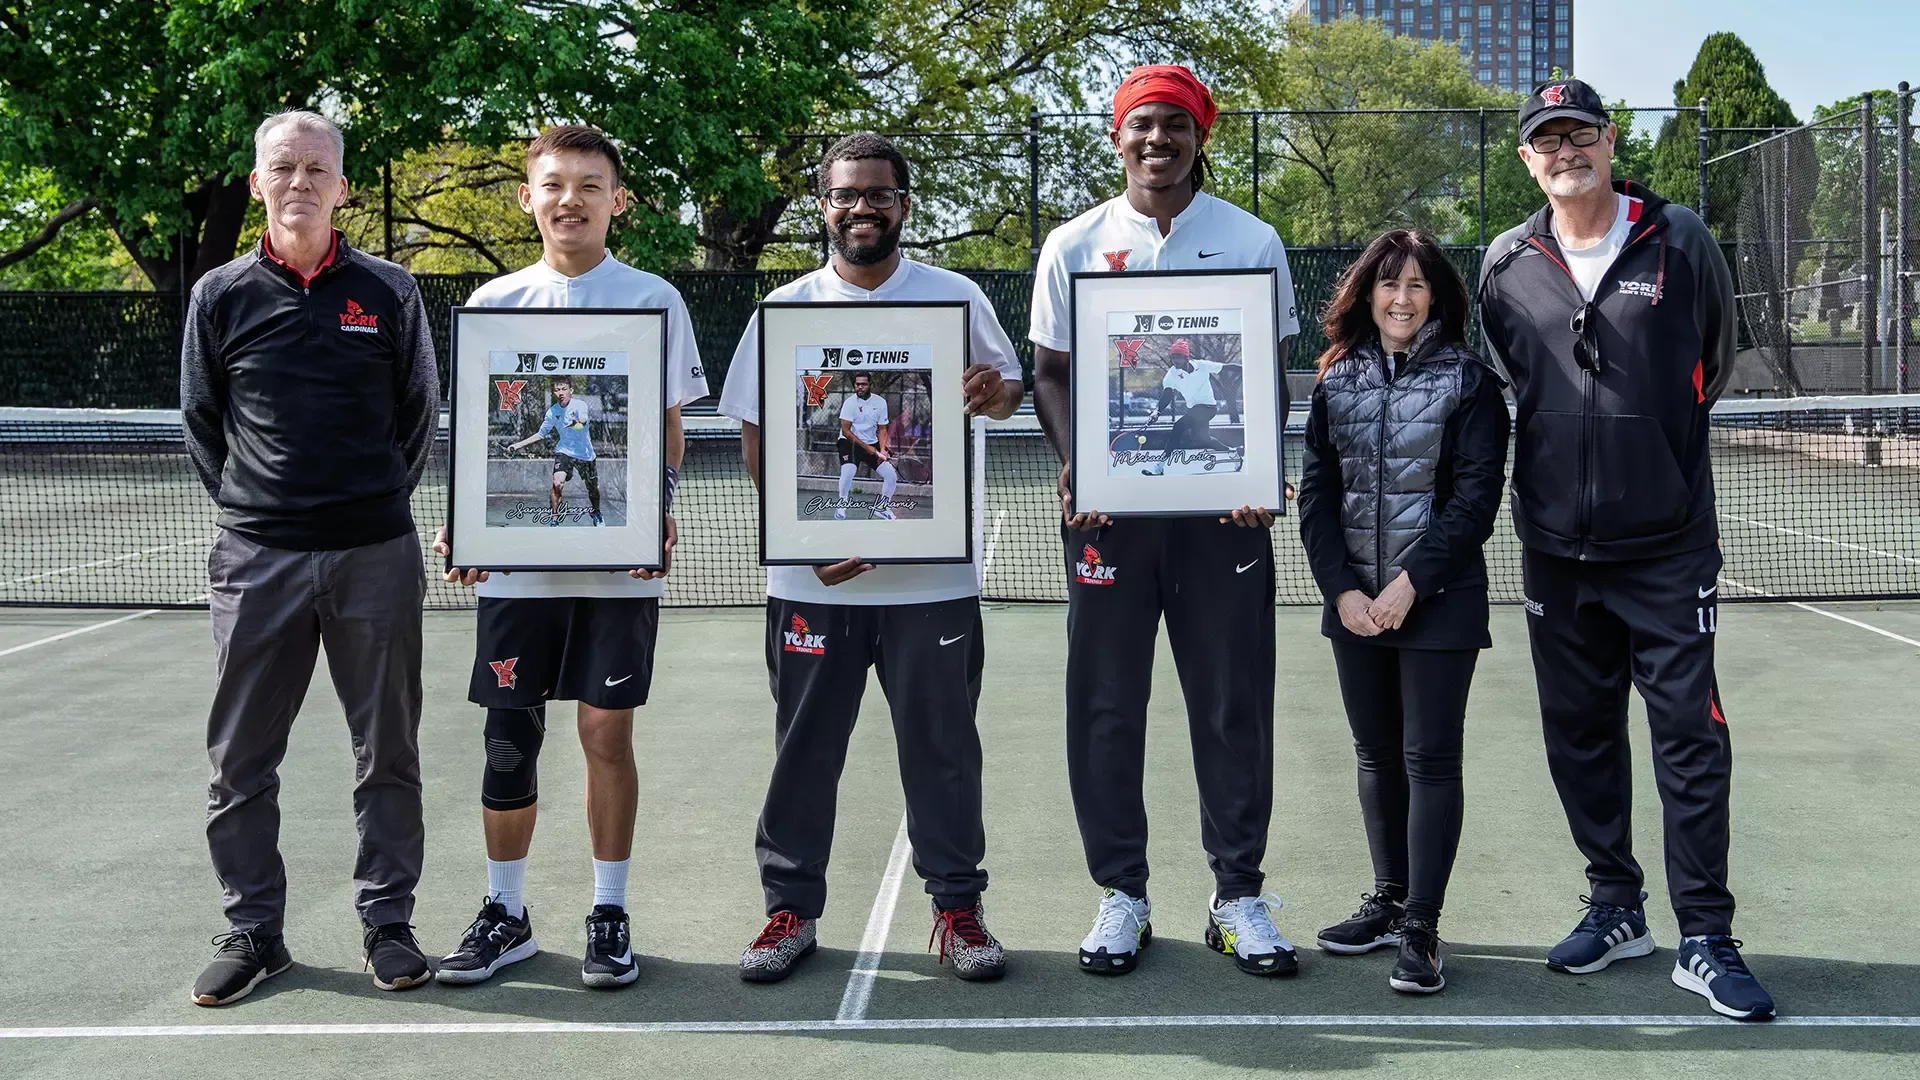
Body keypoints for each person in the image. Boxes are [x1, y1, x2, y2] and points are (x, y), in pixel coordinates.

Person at [1478, 79, 1773, 1021]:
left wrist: (1648, 456)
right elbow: (1508, 379)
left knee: (1690, 737)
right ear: (1528, 160)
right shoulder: (1505, 262)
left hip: (1668, 548)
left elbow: (1711, 365)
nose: (1565, 151)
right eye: (1546, 141)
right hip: (1555, 551)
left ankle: (1705, 935)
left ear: (1610, 141)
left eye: (1579, 135)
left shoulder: (1681, 240)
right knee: (1579, 734)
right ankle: (1617, 903)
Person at [718, 133, 1025, 983]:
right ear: (825, 207)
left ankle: (958, 912)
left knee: (944, 753)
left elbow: (1003, 397)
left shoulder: (956, 296)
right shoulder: (784, 309)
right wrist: (803, 541)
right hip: (811, 586)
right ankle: (789, 910)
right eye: (846, 195)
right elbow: (755, 435)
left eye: (879, 196)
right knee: (805, 752)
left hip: (933, 586)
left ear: (905, 207)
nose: (862, 209)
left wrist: (996, 391)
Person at [1029, 65, 1304, 977]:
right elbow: (1054, 373)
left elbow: (1262, 375)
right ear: (1117, 138)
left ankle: (1238, 895)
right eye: (1141, 126)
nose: (1157, 141)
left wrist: (1257, 468)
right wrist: (1080, 467)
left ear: (1199, 139)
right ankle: (1123, 894)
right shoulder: (1073, 244)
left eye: (1174, 127)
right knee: (1107, 706)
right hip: (1112, 517)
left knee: (1232, 704)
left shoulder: (1253, 238)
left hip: (1222, 520)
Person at [429, 125, 707, 989]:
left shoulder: (654, 296)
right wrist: (462, 525)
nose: (571, 199)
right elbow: (474, 437)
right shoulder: (495, 302)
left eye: (591, 185)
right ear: (528, 196)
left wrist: (656, 510)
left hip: (618, 570)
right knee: (509, 743)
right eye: (554, 184)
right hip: (514, 576)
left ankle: (609, 912)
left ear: (616, 200)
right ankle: (505, 914)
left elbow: (668, 430)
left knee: (604, 735)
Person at [180, 109, 440, 1005]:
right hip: (257, 559)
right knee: (240, 758)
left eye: (316, 168)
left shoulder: (391, 290)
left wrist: (368, 504)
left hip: (376, 553)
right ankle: (254, 928)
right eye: (282, 167)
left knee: (388, 750)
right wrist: (261, 508)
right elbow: (202, 422)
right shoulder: (219, 294)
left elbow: (418, 416)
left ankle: (388, 923)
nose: (300, 182)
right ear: (258, 183)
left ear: (342, 185)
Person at [1296, 229, 1510, 995]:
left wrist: (1409, 585)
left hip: (1439, 604)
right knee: (1376, 756)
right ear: (1367, 293)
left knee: (1429, 760)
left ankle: (1421, 925)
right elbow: (1316, 495)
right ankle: (1387, 901)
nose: (1402, 298)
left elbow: (1475, 500)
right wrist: (1344, 592)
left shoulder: (1471, 383)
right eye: (1389, 284)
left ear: (1438, 299)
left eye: (1418, 285)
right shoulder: (1335, 380)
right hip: (1354, 606)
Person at [507, 374, 604, 525]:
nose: (560, 393)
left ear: (570, 390)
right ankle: (554, 520)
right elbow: (541, 434)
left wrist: (576, 423)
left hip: (585, 454)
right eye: (557, 390)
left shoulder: (580, 406)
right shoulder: (552, 412)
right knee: (557, 483)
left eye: (564, 389)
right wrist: (517, 445)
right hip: (564, 451)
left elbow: (583, 422)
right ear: (553, 393)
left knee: (593, 489)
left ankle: (597, 513)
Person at [1143, 337, 1238, 473]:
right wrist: (1157, 411)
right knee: (1204, 439)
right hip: (1193, 410)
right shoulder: (1172, 375)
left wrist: (1246, 369)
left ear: (1186, 357)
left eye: (1179, 357)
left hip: (1208, 408)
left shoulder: (1202, 365)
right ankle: (1233, 453)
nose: (1175, 361)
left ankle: (1159, 466)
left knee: (1178, 427)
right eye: (1173, 357)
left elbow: (1226, 367)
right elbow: (1167, 394)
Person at [834, 372, 899, 518]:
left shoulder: (880, 402)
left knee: (891, 476)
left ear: (871, 385)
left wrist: (882, 449)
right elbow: (845, 431)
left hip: (871, 443)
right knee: (848, 471)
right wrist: (868, 448)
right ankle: (841, 506)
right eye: (857, 384)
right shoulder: (850, 403)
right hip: (849, 442)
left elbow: (882, 429)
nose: (860, 387)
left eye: (863, 384)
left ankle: (882, 508)